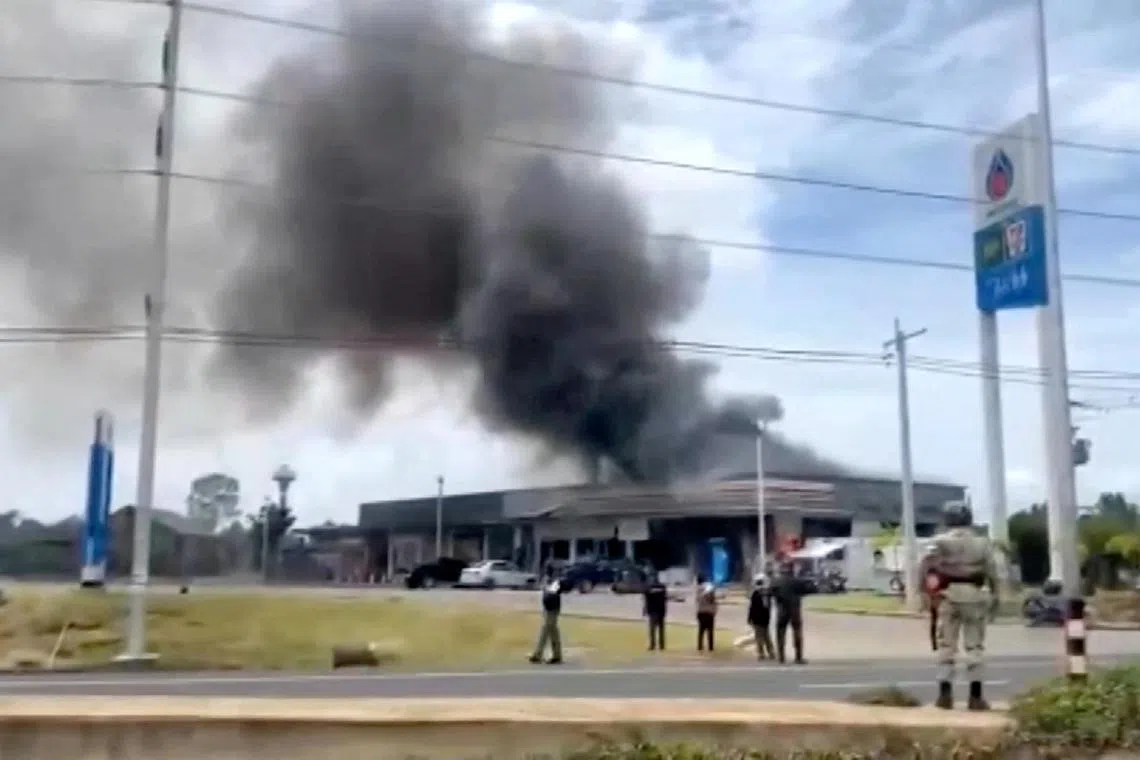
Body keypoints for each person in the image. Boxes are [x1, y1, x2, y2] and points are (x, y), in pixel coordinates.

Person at [921, 502, 1000, 711]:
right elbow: (992, 571)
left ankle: (944, 696)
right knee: (974, 646)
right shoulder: (982, 543)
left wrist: (926, 594)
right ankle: (976, 697)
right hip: (975, 595)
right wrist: (996, 594)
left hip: (948, 596)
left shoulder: (938, 542)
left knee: (947, 646)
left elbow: (925, 565)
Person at [770, 561, 806, 664]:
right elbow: (804, 591)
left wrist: (778, 599)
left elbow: (771, 593)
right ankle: (798, 657)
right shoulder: (797, 581)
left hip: (782, 608)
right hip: (795, 609)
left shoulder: (776, 581)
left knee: (780, 632)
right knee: (797, 632)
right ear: (792, 569)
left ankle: (781, 657)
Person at [529, 565, 565, 665]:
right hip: (549, 608)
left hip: (552, 609)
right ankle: (557, 655)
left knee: (545, 631)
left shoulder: (554, 581)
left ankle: (538, 654)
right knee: (553, 632)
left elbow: (551, 596)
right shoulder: (549, 580)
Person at [747, 573, 775, 660]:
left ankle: (760, 653)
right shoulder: (768, 593)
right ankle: (771, 652)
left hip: (757, 618)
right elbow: (769, 606)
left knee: (758, 636)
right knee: (766, 635)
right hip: (765, 617)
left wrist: (749, 618)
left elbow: (752, 607)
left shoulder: (755, 593)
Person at [643, 571, 668, 651]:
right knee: (660, 629)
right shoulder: (662, 587)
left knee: (653, 629)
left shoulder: (648, 587)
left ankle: (653, 645)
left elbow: (646, 600)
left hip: (654, 610)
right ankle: (661, 645)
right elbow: (665, 598)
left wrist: (645, 609)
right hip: (660, 610)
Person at [695, 574, 717, 652]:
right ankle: (710, 647)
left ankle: (700, 647)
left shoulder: (697, 589)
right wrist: (715, 610)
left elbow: (697, 600)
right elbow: (713, 600)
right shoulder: (710, 588)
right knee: (710, 631)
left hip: (701, 612)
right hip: (709, 612)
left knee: (701, 630)